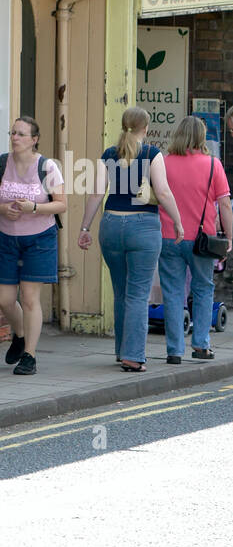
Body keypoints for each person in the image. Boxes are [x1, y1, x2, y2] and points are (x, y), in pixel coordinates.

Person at [77, 106, 184, 371]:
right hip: (143, 227)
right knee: (138, 294)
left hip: (111, 224)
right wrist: (178, 222)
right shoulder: (151, 154)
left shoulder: (108, 155)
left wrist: (85, 227)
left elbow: (95, 194)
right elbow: (163, 191)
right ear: (145, 128)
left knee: (122, 292)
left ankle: (121, 350)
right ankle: (133, 356)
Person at [0, 117, 66, 376]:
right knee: (5, 298)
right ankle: (20, 335)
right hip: (7, 237)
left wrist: (34, 207)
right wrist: (1, 208)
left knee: (30, 298)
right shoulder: (0, 162)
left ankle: (30, 356)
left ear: (34, 139)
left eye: (21, 134)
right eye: (13, 133)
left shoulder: (47, 166)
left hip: (39, 237)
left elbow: (61, 204)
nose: (15, 138)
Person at [158, 116, 232, 364]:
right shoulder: (213, 165)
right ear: (201, 137)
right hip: (203, 240)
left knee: (172, 292)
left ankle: (174, 350)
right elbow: (224, 204)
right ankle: (201, 345)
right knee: (203, 289)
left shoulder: (164, 163)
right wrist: (229, 237)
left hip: (168, 237)